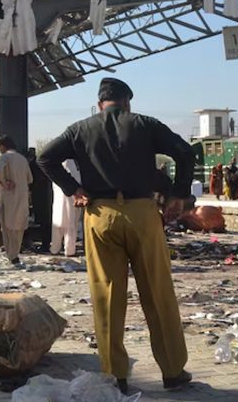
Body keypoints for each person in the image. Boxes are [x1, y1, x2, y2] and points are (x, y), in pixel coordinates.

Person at [38, 77, 193, 393]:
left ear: (99, 105)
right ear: (127, 102)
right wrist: (178, 194)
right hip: (142, 213)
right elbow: (186, 153)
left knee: (106, 295)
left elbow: (45, 158)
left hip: (100, 214)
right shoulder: (144, 124)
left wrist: (73, 188)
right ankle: (173, 372)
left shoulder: (79, 129)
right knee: (157, 292)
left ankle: (117, 374)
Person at [0, 136, 32, 266]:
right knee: (19, 226)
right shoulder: (23, 159)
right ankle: (15, 253)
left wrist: (5, 183)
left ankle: (11, 254)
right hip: (22, 196)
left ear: (2, 146)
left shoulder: (4, 158)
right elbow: (30, 178)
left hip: (8, 196)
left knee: (7, 226)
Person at [51, 160, 81, 256]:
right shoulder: (70, 163)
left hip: (60, 199)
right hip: (70, 198)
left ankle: (55, 248)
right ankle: (69, 250)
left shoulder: (56, 165)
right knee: (71, 225)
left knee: (57, 225)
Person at [28, 147, 52, 252]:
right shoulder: (44, 163)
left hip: (38, 195)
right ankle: (46, 243)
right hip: (47, 194)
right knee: (46, 221)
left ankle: (45, 245)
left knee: (43, 221)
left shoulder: (33, 165)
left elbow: (30, 180)